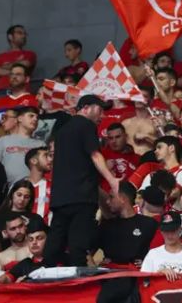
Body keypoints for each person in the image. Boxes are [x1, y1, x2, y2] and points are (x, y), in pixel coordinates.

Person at [44, 95, 120, 267]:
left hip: (60, 196)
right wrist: (111, 179)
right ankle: (77, 280)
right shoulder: (86, 125)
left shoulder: (62, 130)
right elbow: (95, 154)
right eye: (99, 110)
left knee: (56, 241)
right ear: (86, 108)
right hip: (82, 194)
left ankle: (46, 273)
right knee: (78, 245)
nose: (102, 116)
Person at [98, 181, 157, 267]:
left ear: (122, 198)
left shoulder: (149, 224)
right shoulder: (106, 225)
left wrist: (147, 263)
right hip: (111, 274)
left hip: (137, 274)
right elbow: (85, 248)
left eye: (111, 197)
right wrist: (95, 268)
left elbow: (162, 251)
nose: (107, 201)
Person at [141, 211, 182, 281]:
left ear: (180, 229)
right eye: (166, 231)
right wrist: (158, 274)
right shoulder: (152, 254)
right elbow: (144, 282)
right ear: (161, 231)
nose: (170, 235)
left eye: (173, 230)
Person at [0, 106, 45, 185]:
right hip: (7, 188)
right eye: (31, 116)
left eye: (37, 117)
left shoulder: (41, 144)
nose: (35, 119)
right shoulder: (4, 140)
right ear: (19, 118)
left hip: (32, 188)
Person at [0, 220, 47, 292]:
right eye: (30, 239)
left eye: (39, 238)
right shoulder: (24, 264)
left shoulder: (58, 260)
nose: (34, 242)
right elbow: (6, 278)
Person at [0, 25, 36, 94]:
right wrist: (15, 72)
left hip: (21, 92)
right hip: (2, 92)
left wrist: (3, 67)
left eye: (25, 34)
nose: (23, 36)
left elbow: (24, 64)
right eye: (20, 33)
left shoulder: (29, 54)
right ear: (10, 37)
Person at [25, 146, 52, 224]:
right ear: (34, 161)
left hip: (48, 230)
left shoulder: (54, 186)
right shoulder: (18, 186)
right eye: (45, 156)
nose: (50, 159)